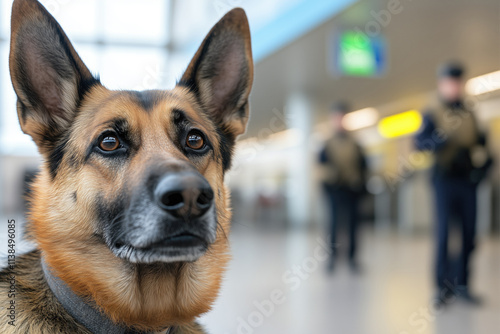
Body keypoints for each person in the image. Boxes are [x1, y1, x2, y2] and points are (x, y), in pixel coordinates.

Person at [415, 62, 492, 307]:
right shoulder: (432, 112)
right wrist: (440, 142)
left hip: (467, 181)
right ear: (442, 84)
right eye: (450, 82)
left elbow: (483, 145)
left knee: (469, 234)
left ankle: (462, 284)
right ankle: (442, 288)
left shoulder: (470, 113)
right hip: (444, 180)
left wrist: (484, 168)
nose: (455, 87)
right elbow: (420, 144)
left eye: (458, 82)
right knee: (444, 235)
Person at [319, 102, 367, 273]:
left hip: (352, 190)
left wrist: (362, 187)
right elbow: (321, 167)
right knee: (333, 225)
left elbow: (364, 166)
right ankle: (332, 258)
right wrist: (329, 181)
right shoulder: (327, 144)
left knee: (354, 225)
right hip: (334, 190)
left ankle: (352, 258)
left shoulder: (355, 143)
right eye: (337, 117)